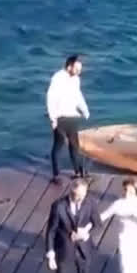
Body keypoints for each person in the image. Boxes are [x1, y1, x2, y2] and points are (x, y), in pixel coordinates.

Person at [45, 177, 101, 273]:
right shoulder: (58, 206)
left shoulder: (90, 203)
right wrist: (50, 254)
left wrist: (86, 232)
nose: (81, 199)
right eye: (78, 196)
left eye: (83, 195)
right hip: (64, 250)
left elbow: (97, 223)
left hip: (84, 249)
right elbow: (51, 231)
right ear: (71, 192)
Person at [46, 54, 90, 184]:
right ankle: (56, 175)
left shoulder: (76, 79)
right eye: (76, 68)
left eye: (80, 69)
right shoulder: (57, 78)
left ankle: (78, 172)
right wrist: (52, 118)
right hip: (60, 117)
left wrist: (84, 109)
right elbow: (50, 98)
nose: (79, 71)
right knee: (58, 146)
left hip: (72, 116)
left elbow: (78, 95)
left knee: (75, 146)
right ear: (69, 66)